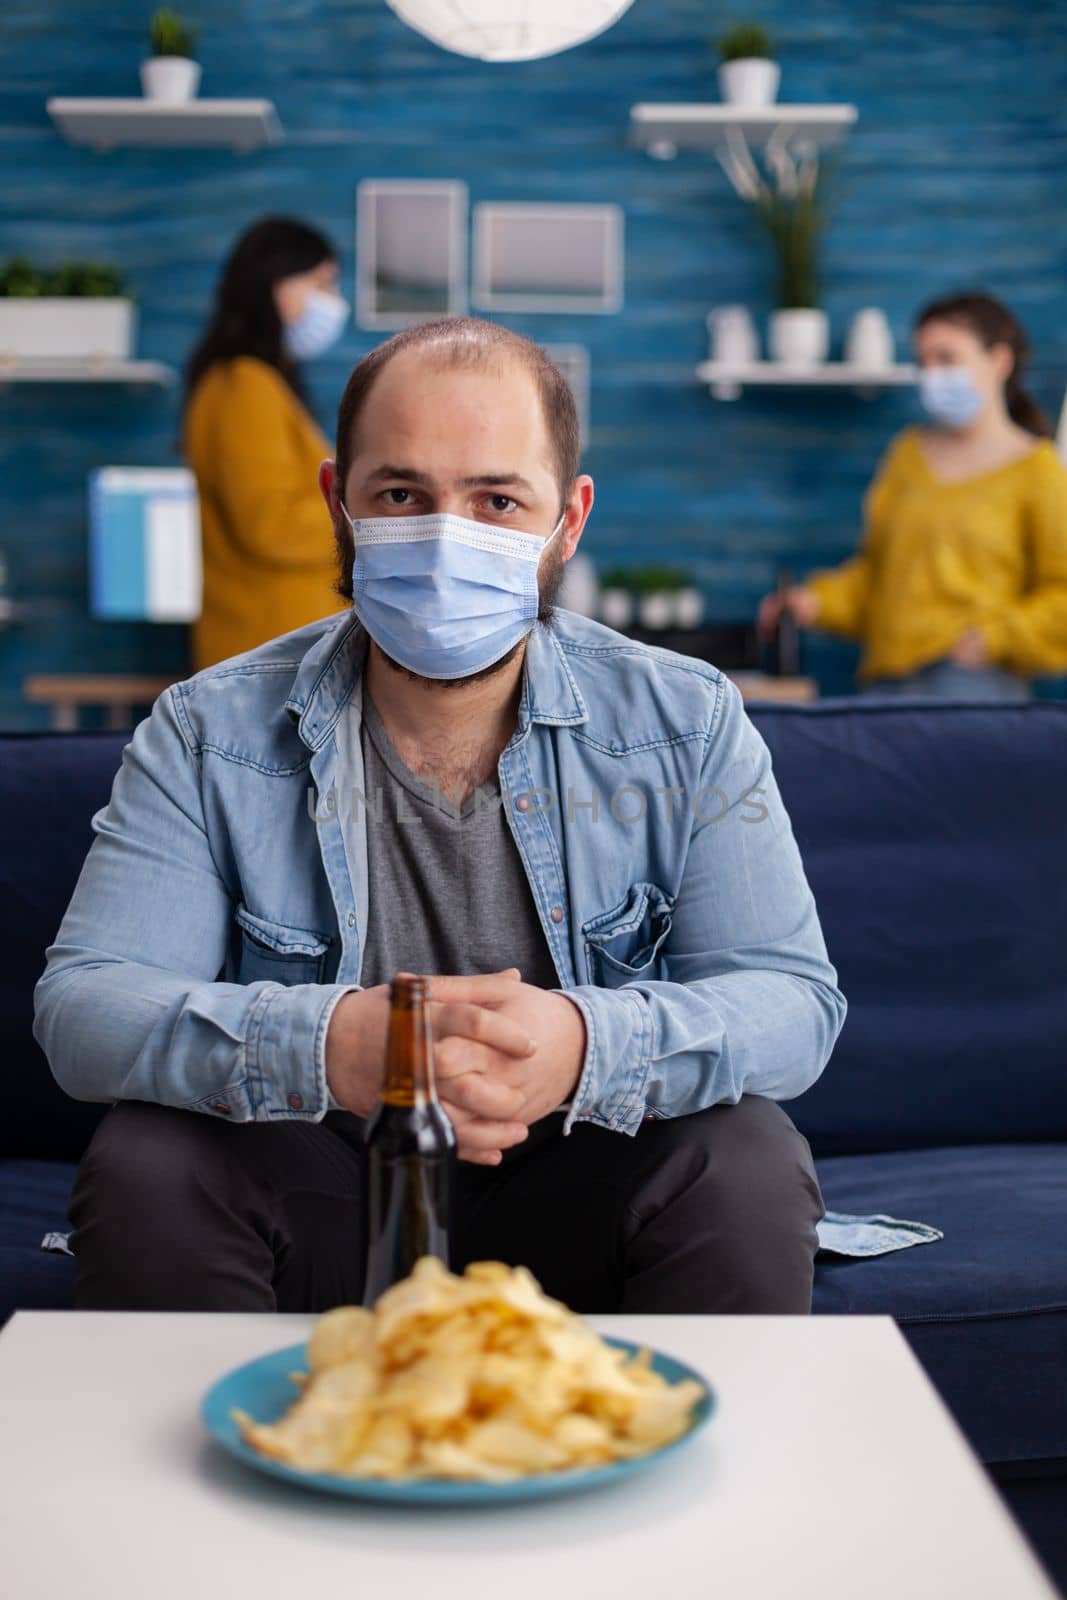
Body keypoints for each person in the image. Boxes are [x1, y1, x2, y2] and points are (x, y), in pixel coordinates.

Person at [34, 317, 844, 1317]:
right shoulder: (206, 731)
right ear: (338, 502)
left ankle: (704, 1475)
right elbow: (84, 1008)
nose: (444, 535)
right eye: (401, 494)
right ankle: (205, 1470)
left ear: (568, 520)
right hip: (330, 1189)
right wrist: (331, 1043)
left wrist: (587, 1048)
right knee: (150, 1158)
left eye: (496, 499)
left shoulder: (685, 720)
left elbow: (791, 1002)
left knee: (743, 1153)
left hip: (582, 1187)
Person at [759, 291, 1067, 699]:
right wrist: (815, 602)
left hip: (974, 684)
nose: (933, 375)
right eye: (924, 362)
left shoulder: (1037, 470)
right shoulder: (907, 456)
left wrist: (992, 639)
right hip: (885, 682)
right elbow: (880, 576)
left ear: (999, 361)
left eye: (947, 358)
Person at [183, 216, 351, 671]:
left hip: (275, 646)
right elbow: (269, 525)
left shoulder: (252, 382)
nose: (334, 301)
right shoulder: (245, 385)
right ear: (274, 284)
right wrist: (367, 519)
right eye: (322, 283)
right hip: (268, 650)